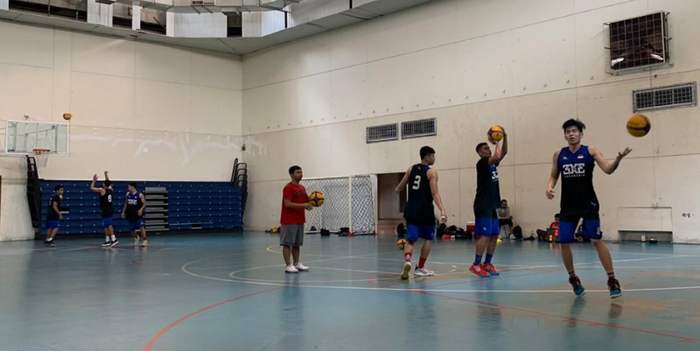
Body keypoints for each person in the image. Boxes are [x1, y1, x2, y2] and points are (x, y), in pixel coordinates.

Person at [546, 118, 631, 298]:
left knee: (596, 241)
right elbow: (553, 175)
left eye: (574, 131)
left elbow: (608, 169)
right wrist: (549, 187)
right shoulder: (559, 154)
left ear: (581, 134)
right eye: (568, 131)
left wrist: (618, 159)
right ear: (565, 135)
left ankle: (612, 280)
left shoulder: (590, 151)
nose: (571, 134)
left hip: (588, 204)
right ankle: (573, 278)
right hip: (568, 206)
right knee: (563, 242)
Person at [395, 146, 448, 279]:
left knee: (411, 239)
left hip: (411, 209)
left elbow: (401, 186)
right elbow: (434, 193)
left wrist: (396, 189)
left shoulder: (411, 169)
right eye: (433, 156)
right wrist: (442, 209)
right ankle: (420, 267)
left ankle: (408, 260)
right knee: (429, 238)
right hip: (425, 210)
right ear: (427, 156)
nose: (434, 158)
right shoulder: (431, 172)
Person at [470, 128, 508, 278]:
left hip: (492, 204)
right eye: (486, 149)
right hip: (483, 204)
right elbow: (498, 155)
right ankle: (476, 264)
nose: (489, 150)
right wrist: (497, 141)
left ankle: (487, 263)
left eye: (489, 147)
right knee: (485, 235)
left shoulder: (492, 164)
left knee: (494, 235)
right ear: (480, 153)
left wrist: (505, 136)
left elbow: (503, 153)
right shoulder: (482, 163)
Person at [280, 165, 313, 273]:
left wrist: (316, 199)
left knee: (297, 244)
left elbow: (308, 200)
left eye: (301, 172)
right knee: (287, 244)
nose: (301, 174)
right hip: (289, 220)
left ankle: (296, 263)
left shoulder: (302, 188)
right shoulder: (288, 188)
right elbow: (288, 204)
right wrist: (305, 205)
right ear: (291, 174)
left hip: (300, 219)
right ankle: (288, 265)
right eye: (298, 172)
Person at [90, 171, 119, 248]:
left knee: (109, 224)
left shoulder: (102, 190)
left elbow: (92, 188)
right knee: (105, 225)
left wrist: (94, 181)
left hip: (106, 209)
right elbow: (108, 183)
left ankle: (114, 239)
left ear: (104, 185)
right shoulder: (110, 189)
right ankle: (107, 240)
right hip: (108, 209)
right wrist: (106, 175)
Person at [122, 182, 148, 247]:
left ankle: (144, 240)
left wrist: (141, 209)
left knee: (141, 226)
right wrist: (123, 211)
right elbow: (126, 203)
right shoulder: (128, 194)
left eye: (129, 187)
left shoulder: (140, 195)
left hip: (138, 214)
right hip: (130, 214)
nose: (128, 188)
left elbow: (144, 203)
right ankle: (136, 237)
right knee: (131, 229)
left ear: (132, 187)